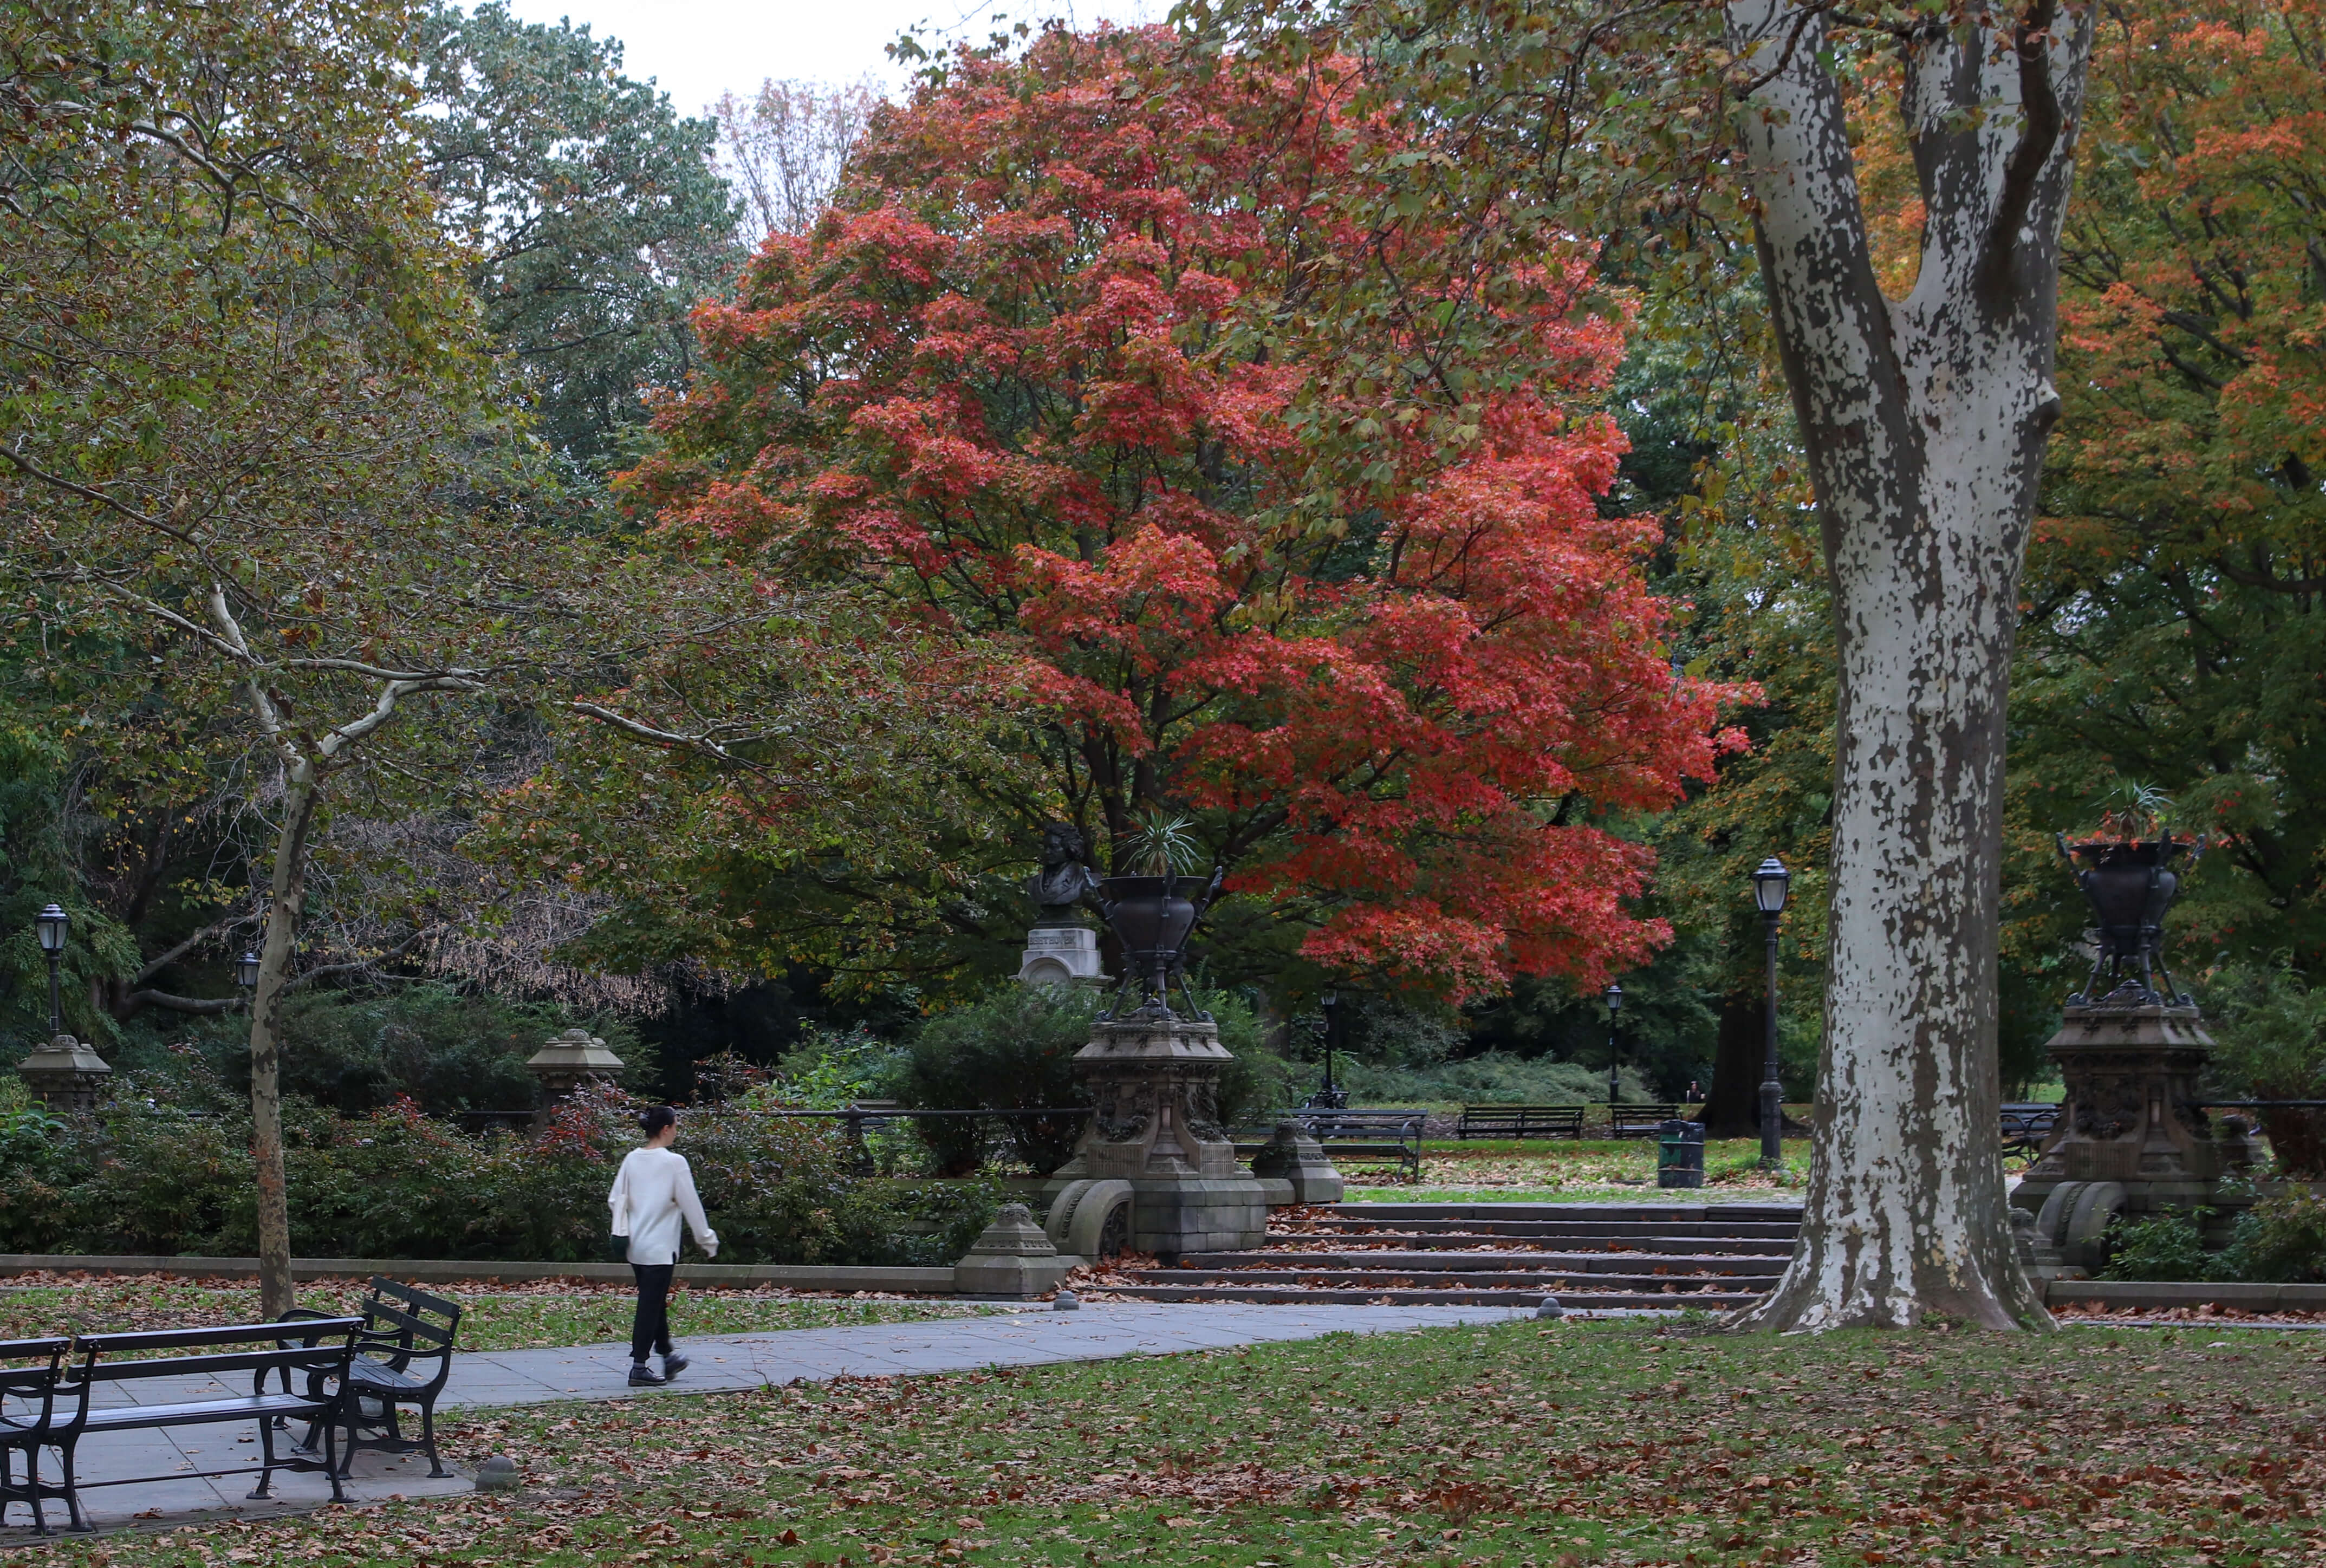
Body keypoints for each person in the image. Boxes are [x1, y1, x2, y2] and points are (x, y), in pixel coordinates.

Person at [606, 1105, 718, 1386]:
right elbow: (691, 1204)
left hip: (636, 1246)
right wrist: (707, 1238)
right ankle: (639, 1366)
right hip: (660, 1248)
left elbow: (615, 1198)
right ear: (666, 1129)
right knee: (649, 1305)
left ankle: (667, 1355)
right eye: (676, 1126)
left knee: (653, 1301)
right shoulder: (674, 1163)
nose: (676, 1132)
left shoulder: (632, 1159)